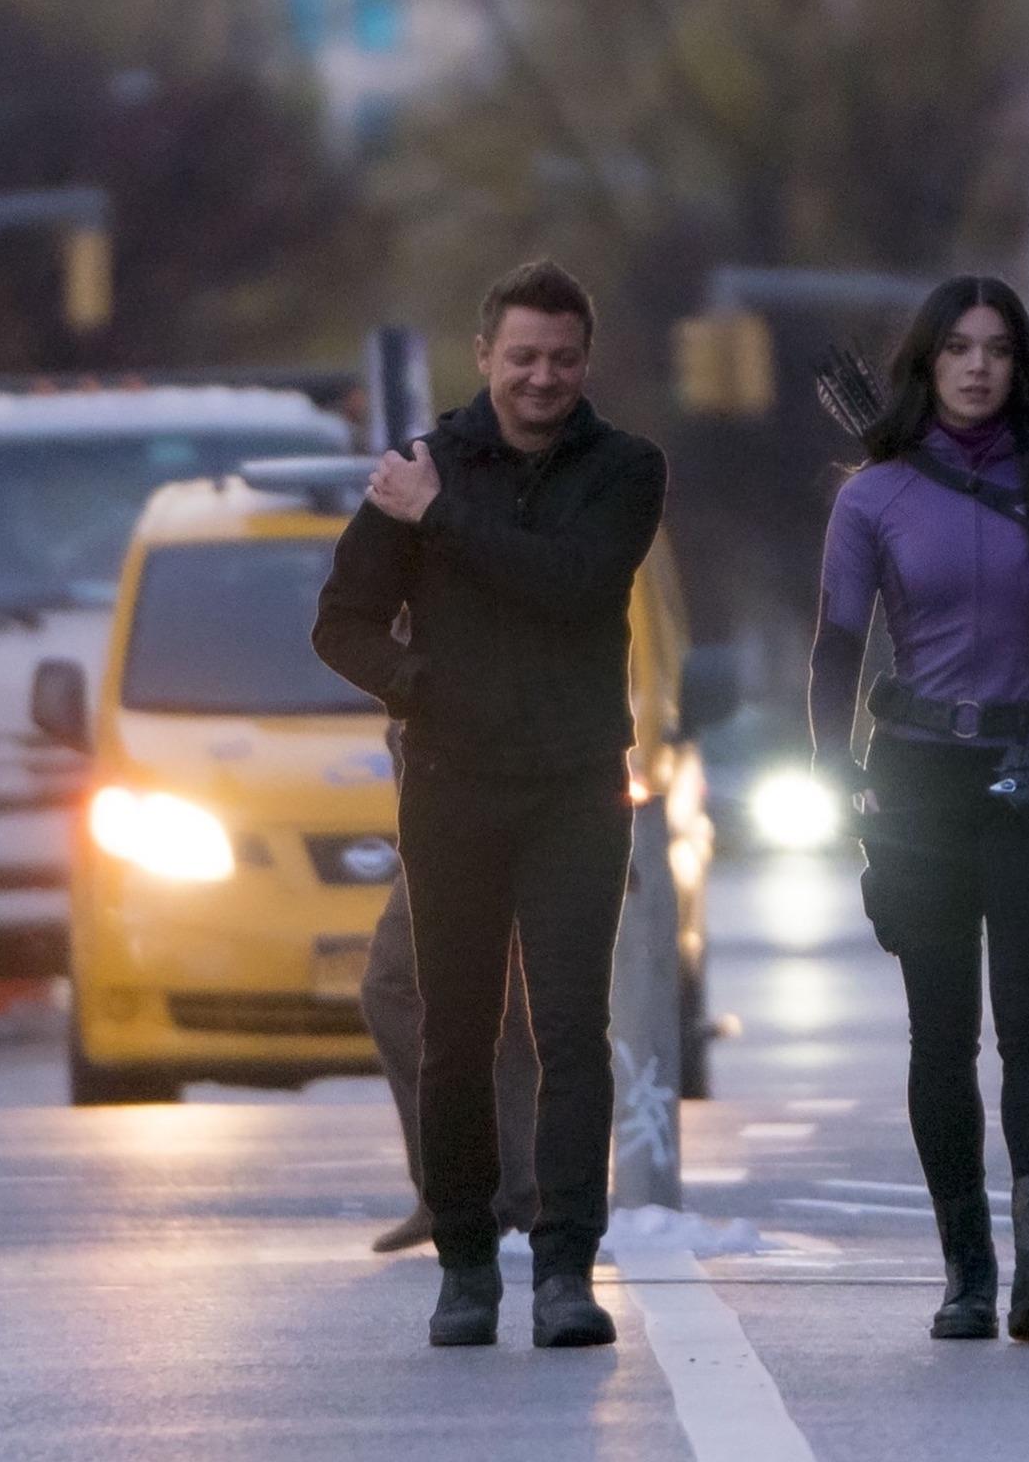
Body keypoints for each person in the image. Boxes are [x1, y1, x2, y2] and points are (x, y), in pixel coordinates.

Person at [312, 261, 667, 1351]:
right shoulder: (419, 471)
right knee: (453, 1037)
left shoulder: (624, 470)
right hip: (452, 787)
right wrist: (421, 688)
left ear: (584, 360)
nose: (540, 376)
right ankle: (465, 1267)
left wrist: (446, 520)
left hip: (571, 787)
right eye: (521, 356)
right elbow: (341, 622)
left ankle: (565, 1270)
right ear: (483, 356)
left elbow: (571, 584)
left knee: (570, 1031)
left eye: (561, 357)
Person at [809, 276, 1029, 1345]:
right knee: (939, 1033)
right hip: (915, 780)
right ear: (926, 362)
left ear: (1020, 365)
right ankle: (964, 1267)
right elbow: (835, 650)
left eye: (997, 347)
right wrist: (834, 775)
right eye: (956, 346)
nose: (977, 364)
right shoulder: (872, 496)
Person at [355, 875, 539, 1254]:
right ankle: (513, 1188)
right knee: (501, 978)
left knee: (397, 985)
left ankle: (472, 1190)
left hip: (466, 820)